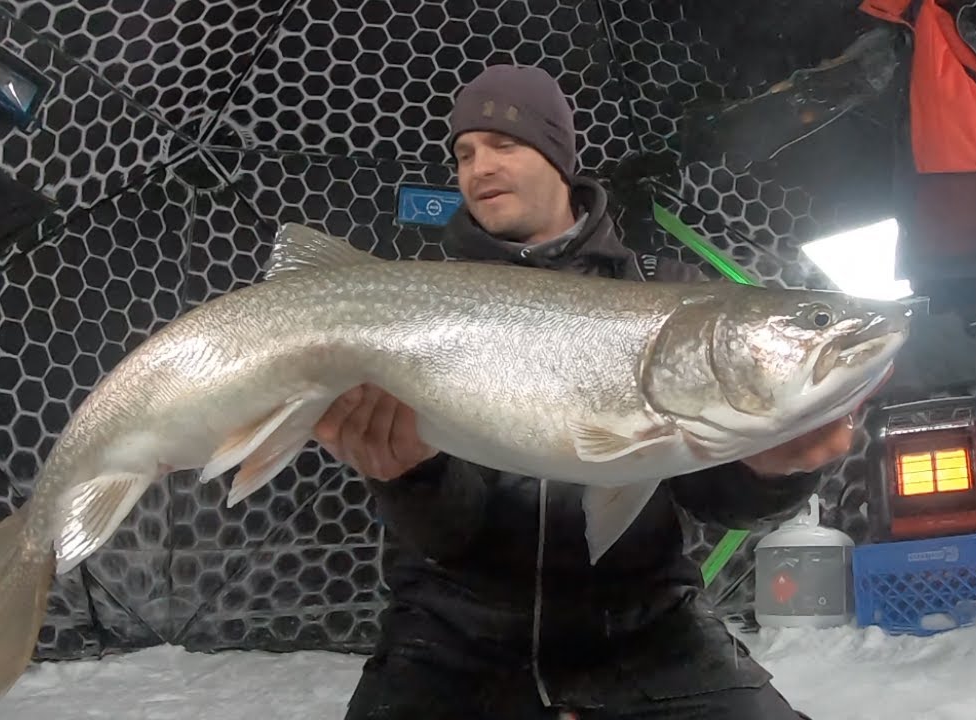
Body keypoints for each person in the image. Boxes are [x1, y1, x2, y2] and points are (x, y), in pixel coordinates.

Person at [316, 64, 857, 720]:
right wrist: (407, 478)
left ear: (558, 155)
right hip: (451, 633)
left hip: (648, 626)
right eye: (464, 153)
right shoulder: (421, 307)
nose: (479, 165)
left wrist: (772, 470)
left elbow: (716, 501)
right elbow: (448, 537)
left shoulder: (669, 295)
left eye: (504, 144)